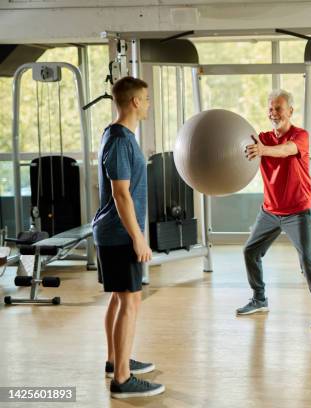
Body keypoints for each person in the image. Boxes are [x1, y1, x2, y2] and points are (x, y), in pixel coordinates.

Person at [93, 76, 165, 398]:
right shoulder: (120, 140)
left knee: (120, 297)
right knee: (130, 300)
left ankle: (114, 360)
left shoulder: (118, 135)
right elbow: (121, 194)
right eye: (146, 99)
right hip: (119, 234)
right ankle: (122, 379)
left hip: (114, 232)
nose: (148, 104)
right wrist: (138, 237)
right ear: (135, 102)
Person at [237, 89, 311, 328]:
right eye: (270, 108)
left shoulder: (301, 135)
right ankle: (259, 299)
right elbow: (239, 151)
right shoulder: (262, 138)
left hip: (297, 210)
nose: (273, 113)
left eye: (278, 108)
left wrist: (263, 150)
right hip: (269, 210)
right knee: (250, 252)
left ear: (290, 110)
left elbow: (287, 150)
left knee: (307, 259)